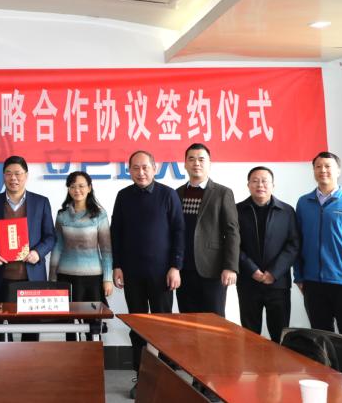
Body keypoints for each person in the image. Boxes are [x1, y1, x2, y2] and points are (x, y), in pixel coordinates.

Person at [111, 151, 183, 398]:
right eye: (135, 168)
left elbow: (179, 232)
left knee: (163, 327)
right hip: (132, 274)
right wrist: (117, 265)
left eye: (145, 167)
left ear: (154, 168)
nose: (140, 173)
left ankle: (165, 377)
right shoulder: (123, 196)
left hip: (162, 274)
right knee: (137, 327)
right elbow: (116, 233)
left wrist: (175, 266)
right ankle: (141, 378)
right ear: (129, 170)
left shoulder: (168, 195)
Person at [294, 151, 342, 346]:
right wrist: (299, 276)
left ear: (338, 171)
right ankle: (326, 369)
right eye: (318, 166)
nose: (323, 170)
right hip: (313, 284)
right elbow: (297, 242)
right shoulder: (303, 203)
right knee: (321, 341)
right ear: (313, 171)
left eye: (328, 166)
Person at [0, 155, 55, 341]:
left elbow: (50, 236)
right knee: (1, 331)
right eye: (9, 173)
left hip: (31, 278)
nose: (13, 178)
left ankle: (30, 359)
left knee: (31, 329)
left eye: (18, 173)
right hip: (2, 278)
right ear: (3, 176)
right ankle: (3, 360)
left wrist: (38, 253)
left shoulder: (41, 202)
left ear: (26, 175)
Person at [175, 143, 239, 316]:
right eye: (191, 159)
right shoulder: (177, 193)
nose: (196, 163)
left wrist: (230, 267)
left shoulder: (222, 193)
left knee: (214, 320)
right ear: (185, 164)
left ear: (210, 163)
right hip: (183, 269)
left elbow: (232, 232)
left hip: (212, 269)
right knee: (187, 320)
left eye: (201, 159)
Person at [236, 166, 299, 343]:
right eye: (255, 181)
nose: (260, 185)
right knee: (250, 335)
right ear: (248, 185)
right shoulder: (237, 210)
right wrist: (252, 270)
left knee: (280, 336)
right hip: (248, 282)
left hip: (278, 283)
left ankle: (278, 363)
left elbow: (293, 245)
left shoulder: (287, 211)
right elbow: (233, 245)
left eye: (265, 181)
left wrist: (274, 272)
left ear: (273, 185)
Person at [49, 171, 112, 341]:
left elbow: (106, 250)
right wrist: (52, 278)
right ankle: (72, 357)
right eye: (73, 186)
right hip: (66, 277)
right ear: (68, 189)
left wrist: (108, 278)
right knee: (69, 324)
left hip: (93, 279)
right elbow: (57, 247)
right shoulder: (62, 215)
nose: (77, 190)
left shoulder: (99, 215)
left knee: (93, 325)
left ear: (89, 188)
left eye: (81, 186)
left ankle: (93, 356)